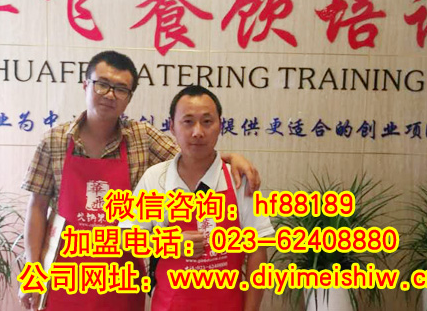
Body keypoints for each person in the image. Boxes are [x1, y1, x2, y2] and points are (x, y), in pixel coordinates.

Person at [19, 51, 260, 310]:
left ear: (129, 97)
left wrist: (231, 159)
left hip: (122, 278)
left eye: (121, 89)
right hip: (64, 275)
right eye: (102, 84)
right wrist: (33, 272)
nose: (110, 94)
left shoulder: (141, 137)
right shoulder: (54, 141)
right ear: (86, 85)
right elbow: (37, 208)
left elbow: (193, 155)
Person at [120, 85, 274, 311]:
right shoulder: (155, 179)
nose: (198, 132)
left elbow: (258, 252)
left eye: (207, 121)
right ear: (172, 127)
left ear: (220, 125)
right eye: (188, 121)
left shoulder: (238, 180)